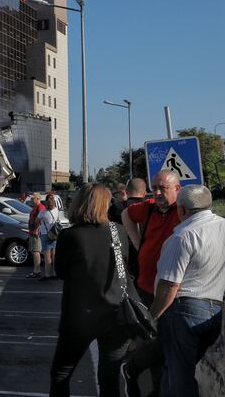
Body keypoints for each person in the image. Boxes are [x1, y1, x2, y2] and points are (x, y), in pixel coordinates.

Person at [50, 183, 131, 396]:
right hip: (116, 315)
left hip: (80, 316)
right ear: (107, 205)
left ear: (80, 203)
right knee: (109, 377)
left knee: (61, 374)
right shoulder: (119, 232)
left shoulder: (70, 236)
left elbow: (60, 272)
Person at [150, 185, 225, 397]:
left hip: (184, 312)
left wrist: (153, 315)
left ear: (181, 209)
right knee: (176, 372)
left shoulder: (183, 236)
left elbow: (169, 285)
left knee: (179, 376)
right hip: (214, 311)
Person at [120, 170, 182, 397]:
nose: (156, 193)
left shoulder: (184, 210)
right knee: (153, 340)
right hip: (147, 287)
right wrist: (137, 243)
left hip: (173, 290)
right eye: (154, 187)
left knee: (164, 342)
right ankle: (153, 388)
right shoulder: (147, 208)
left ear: (177, 189)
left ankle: (132, 369)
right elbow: (126, 214)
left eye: (162, 188)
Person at [38, 194, 60, 280]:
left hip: (45, 234)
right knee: (54, 254)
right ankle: (54, 273)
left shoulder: (43, 212)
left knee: (47, 256)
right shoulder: (56, 210)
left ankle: (47, 274)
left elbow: (37, 221)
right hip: (55, 234)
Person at [26, 193, 45, 278]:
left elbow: (40, 220)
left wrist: (36, 230)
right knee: (34, 251)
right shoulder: (36, 207)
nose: (31, 200)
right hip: (32, 232)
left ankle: (37, 271)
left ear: (37, 198)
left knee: (36, 251)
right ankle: (36, 270)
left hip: (36, 233)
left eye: (33, 198)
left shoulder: (40, 207)